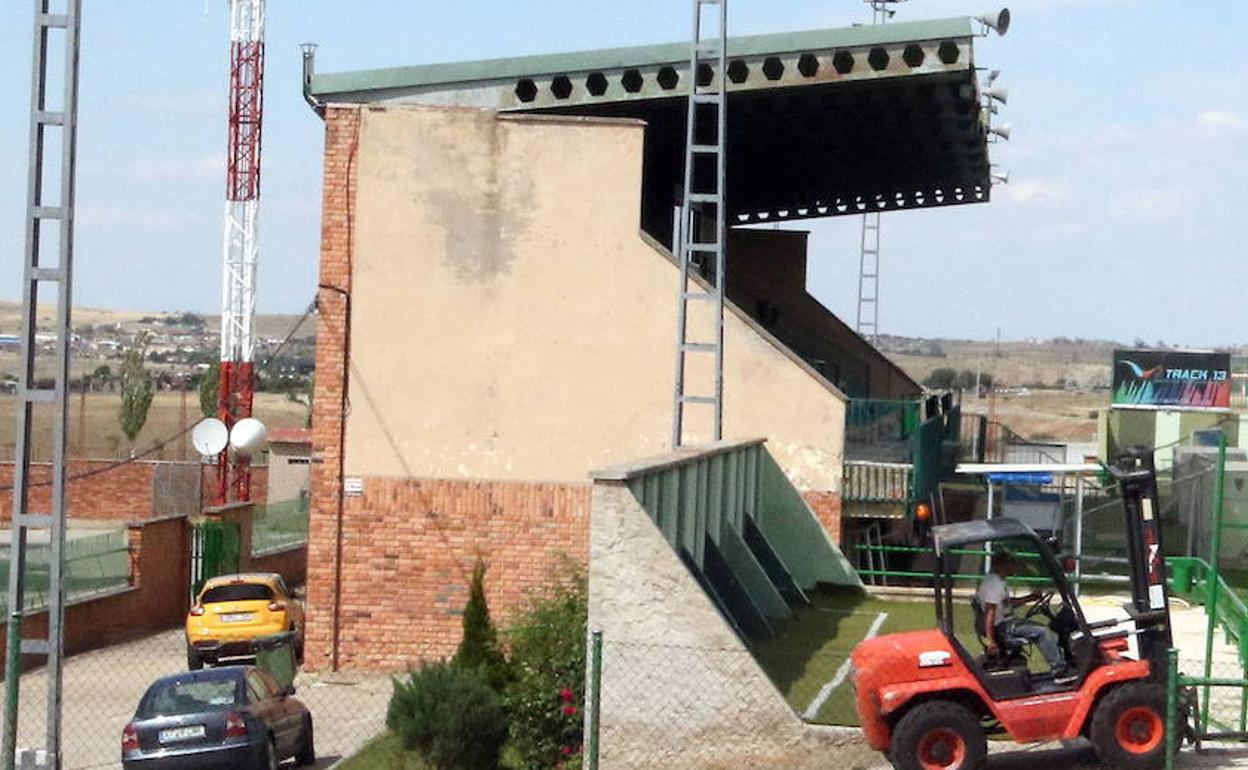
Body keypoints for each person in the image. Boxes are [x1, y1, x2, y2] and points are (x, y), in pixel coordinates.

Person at [977, 550, 1075, 684]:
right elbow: (990, 613)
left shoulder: (997, 581)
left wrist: (1030, 598)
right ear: (1002, 565)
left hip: (1006, 623)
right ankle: (1060, 671)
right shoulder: (993, 584)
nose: (1014, 567)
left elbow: (1007, 603)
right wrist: (991, 640)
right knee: (1043, 632)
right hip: (1003, 627)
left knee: (1041, 629)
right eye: (1011, 564)